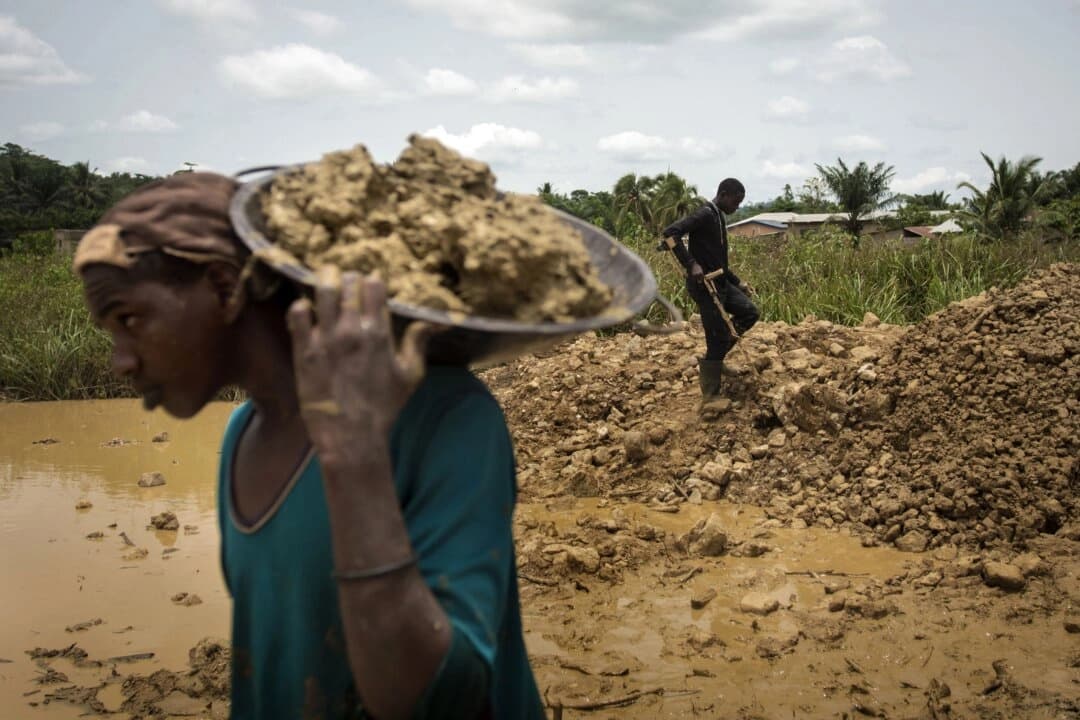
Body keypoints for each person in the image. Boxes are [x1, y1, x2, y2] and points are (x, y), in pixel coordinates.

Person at [73, 172, 545, 719]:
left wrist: (354, 455)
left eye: (130, 319)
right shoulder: (242, 434)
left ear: (225, 288)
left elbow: (439, 699)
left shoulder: (444, 415)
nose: (122, 361)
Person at [660, 178, 759, 408]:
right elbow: (670, 233)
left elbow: (718, 261)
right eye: (736, 201)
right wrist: (691, 264)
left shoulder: (718, 216)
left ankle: (716, 358)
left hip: (721, 281)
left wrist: (739, 282)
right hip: (705, 286)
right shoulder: (705, 213)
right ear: (723, 194)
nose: (737, 207)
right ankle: (711, 396)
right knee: (716, 336)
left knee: (749, 312)